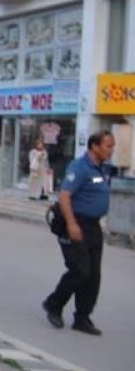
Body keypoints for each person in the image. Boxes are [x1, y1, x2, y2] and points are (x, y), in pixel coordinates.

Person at [42, 131, 116, 337]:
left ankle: (82, 317)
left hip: (93, 226)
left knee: (93, 275)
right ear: (94, 146)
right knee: (80, 270)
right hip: (75, 223)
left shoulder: (102, 169)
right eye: (108, 146)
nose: (111, 150)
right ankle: (54, 303)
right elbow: (65, 196)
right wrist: (72, 224)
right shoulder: (79, 167)